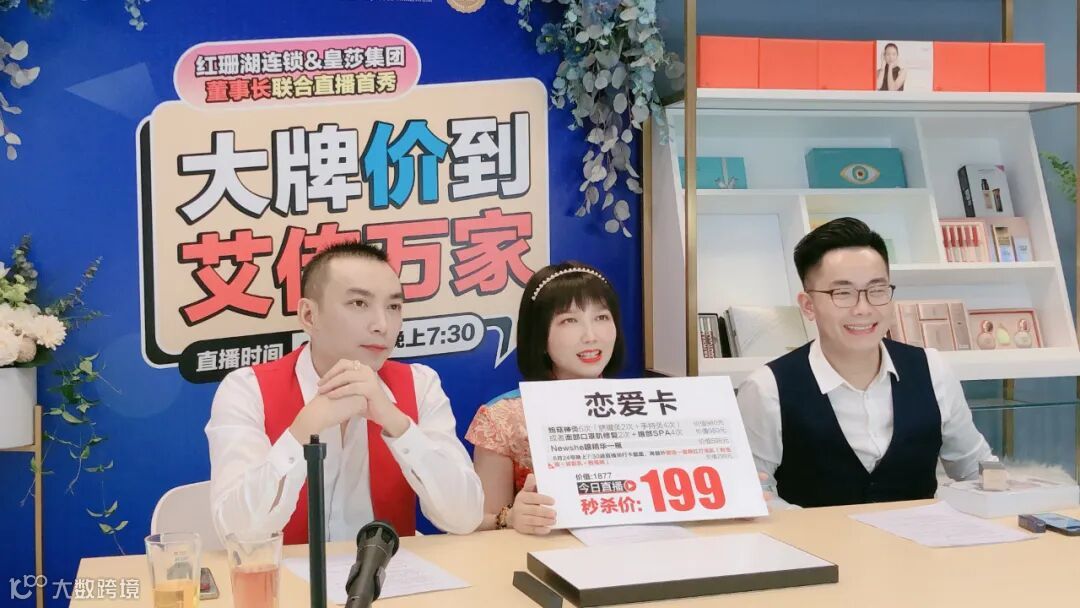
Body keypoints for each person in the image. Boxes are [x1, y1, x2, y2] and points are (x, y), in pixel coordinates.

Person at [205, 242, 483, 543]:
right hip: (284, 573)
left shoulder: (420, 384)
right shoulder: (248, 389)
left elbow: (465, 517)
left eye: (393, 307)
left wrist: (396, 424)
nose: (382, 325)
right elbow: (237, 533)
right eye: (359, 303)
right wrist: (303, 430)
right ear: (309, 315)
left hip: (388, 572)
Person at [736, 218, 994, 508]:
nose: (863, 309)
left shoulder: (932, 370)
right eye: (842, 293)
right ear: (808, 305)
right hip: (810, 538)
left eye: (877, 290)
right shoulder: (767, 388)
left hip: (919, 537)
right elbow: (756, 493)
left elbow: (976, 470)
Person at [466, 262, 625, 534]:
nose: (591, 336)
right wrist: (511, 517)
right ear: (539, 335)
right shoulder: (504, 419)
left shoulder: (644, 405)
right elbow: (481, 524)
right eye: (569, 321)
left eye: (601, 317)